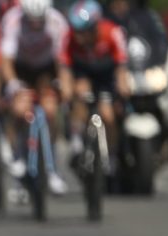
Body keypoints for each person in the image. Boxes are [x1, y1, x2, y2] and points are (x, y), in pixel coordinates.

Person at [0, 0, 72, 195]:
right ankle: (16, 155)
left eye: (40, 20)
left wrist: (63, 85)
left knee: (49, 109)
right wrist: (13, 84)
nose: (36, 25)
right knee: (19, 109)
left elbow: (62, 60)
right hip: (20, 68)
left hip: (45, 68)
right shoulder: (12, 20)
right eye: (32, 21)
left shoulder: (57, 22)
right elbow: (6, 61)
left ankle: (52, 167)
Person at [62, 0, 130, 166]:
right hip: (83, 72)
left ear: (95, 26)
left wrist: (123, 84)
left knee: (107, 114)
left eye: (84, 32)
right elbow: (64, 66)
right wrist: (67, 89)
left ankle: (111, 152)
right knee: (79, 94)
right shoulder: (69, 37)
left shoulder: (112, 32)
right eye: (76, 31)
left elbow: (121, 64)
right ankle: (77, 141)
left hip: (106, 75)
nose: (79, 37)